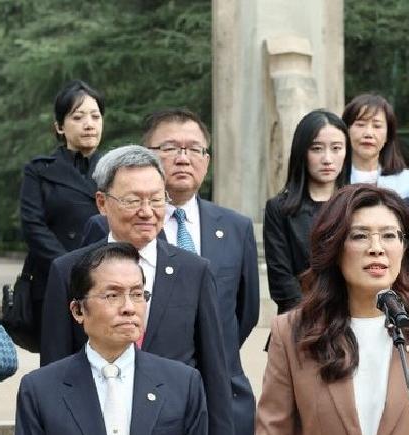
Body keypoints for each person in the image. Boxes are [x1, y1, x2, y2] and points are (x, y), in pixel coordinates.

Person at [81, 108, 259, 433]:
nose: (182, 158)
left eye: (194, 149)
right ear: (144, 155)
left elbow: (243, 314)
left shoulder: (237, 227)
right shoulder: (106, 225)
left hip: (220, 395)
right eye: (169, 148)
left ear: (207, 158)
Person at [41, 145, 234, 434]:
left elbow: (215, 375)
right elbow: (54, 377)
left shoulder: (194, 271)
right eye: (133, 200)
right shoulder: (67, 271)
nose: (147, 212)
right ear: (102, 203)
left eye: (156, 199)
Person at [256, 184, 409, 435]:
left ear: (405, 248)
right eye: (360, 235)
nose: (377, 248)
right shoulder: (291, 332)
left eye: (389, 236)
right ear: (335, 246)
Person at [16, 242, 207, 435]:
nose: (129, 308)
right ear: (78, 310)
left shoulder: (183, 383)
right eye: (112, 295)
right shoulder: (40, 390)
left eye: (137, 294)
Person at [19, 80, 106, 349]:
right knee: (59, 364)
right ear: (59, 126)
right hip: (55, 281)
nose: (89, 124)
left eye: (95, 116)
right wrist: (68, 269)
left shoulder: (116, 170)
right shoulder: (39, 171)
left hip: (106, 281)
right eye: (77, 117)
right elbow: (33, 226)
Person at [264, 109, 351, 315]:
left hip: (351, 319)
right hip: (299, 322)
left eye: (336, 148)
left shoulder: (357, 205)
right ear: (302, 151)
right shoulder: (280, 208)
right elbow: (281, 280)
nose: (328, 159)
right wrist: (312, 318)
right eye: (317, 148)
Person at [342, 94, 409, 199]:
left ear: (387, 135)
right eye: (360, 124)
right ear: (347, 130)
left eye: (377, 126)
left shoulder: (404, 180)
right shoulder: (334, 176)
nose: (368, 133)